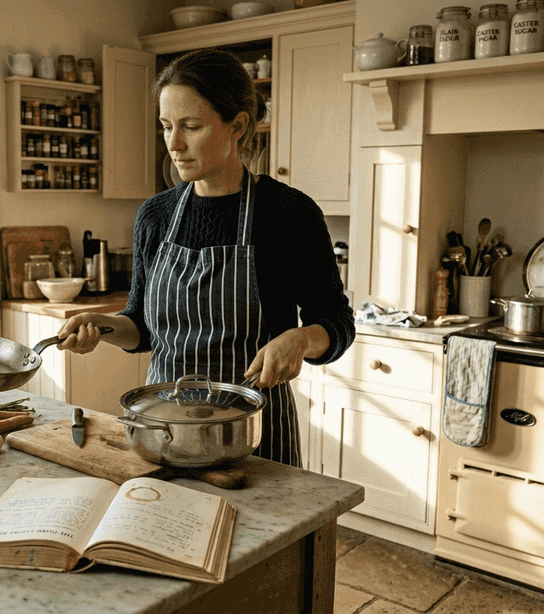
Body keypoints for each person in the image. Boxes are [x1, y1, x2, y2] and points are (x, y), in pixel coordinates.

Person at [56, 48, 354, 467]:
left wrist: (302, 339)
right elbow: (141, 328)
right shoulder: (155, 215)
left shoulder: (289, 214)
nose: (174, 144)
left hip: (253, 437)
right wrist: (104, 327)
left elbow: (338, 323)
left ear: (238, 125)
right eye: (165, 127)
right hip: (163, 431)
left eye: (191, 127)